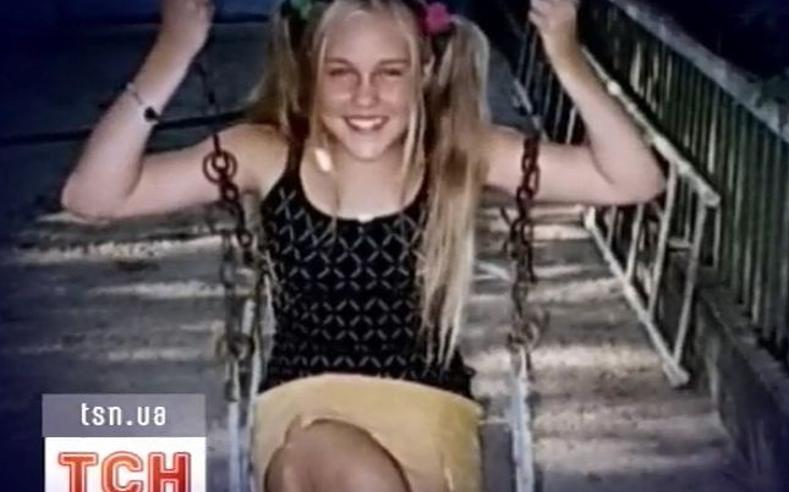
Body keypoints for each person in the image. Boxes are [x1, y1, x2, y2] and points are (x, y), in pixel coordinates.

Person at [60, 0, 665, 490]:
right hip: (306, 417)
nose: (365, 96)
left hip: (431, 417)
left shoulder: (458, 156)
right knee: (350, 469)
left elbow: (633, 181)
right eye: (340, 72)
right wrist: (173, 52)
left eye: (390, 73)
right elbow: (94, 195)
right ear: (309, 76)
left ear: (424, 73)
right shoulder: (266, 155)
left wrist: (565, 54)